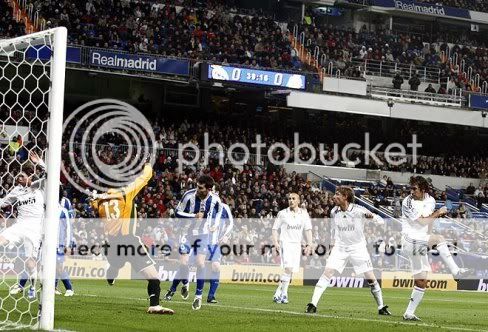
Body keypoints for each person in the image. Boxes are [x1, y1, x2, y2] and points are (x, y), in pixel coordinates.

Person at [90, 160, 174, 315]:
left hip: (112, 244)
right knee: (154, 277)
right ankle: (154, 305)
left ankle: (111, 272)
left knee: (117, 265)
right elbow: (145, 177)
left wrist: (96, 198)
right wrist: (147, 164)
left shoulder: (100, 200)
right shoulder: (125, 192)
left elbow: (94, 205)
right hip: (129, 240)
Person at [306, 186, 391, 316]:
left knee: (371, 278)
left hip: (358, 248)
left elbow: (379, 220)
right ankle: (312, 304)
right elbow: (334, 230)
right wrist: (333, 245)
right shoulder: (334, 211)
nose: (334, 196)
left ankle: (381, 307)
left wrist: (370, 218)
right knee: (327, 272)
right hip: (340, 247)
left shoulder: (359, 210)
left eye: (337, 194)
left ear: (345, 197)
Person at [401, 176, 470, 321]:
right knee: (440, 239)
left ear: (423, 189)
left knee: (421, 280)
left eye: (414, 189)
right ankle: (456, 272)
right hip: (409, 239)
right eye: (411, 188)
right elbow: (420, 222)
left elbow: (429, 222)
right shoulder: (407, 202)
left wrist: (429, 235)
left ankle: (409, 313)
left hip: (420, 240)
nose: (411, 191)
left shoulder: (430, 200)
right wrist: (438, 213)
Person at [165, 175, 222, 311]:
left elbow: (219, 211)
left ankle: (198, 296)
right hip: (186, 233)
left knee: (200, 263)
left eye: (200, 187)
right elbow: (177, 213)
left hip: (202, 235)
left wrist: (215, 224)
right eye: (197, 186)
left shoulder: (215, 199)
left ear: (208, 189)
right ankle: (185, 284)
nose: (197, 189)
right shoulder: (188, 195)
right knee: (184, 263)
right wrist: (194, 216)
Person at [2, 151, 45, 300]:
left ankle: (33, 286)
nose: (18, 178)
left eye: (22, 176)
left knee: (30, 263)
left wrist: (40, 163)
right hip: (19, 225)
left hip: (34, 228)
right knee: (1, 239)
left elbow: (51, 177)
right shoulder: (16, 191)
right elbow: (3, 203)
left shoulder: (38, 187)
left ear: (30, 177)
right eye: (18, 176)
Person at [272, 193, 312, 304]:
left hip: (297, 245)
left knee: (289, 271)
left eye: (293, 199)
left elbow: (308, 230)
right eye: (289, 198)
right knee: (288, 268)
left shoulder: (304, 214)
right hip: (285, 243)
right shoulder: (282, 213)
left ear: (298, 201)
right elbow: (275, 229)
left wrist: (310, 244)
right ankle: (284, 295)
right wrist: (275, 242)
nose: (291, 200)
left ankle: (277, 292)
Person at [206, 197, 234, 304]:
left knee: (216, 266)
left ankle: (211, 296)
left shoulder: (224, 207)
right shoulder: (204, 205)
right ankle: (172, 290)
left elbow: (231, 223)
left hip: (215, 243)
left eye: (215, 191)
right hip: (202, 241)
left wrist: (226, 236)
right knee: (187, 264)